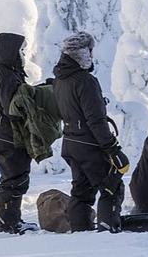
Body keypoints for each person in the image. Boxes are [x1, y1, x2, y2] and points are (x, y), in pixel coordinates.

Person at [52, 32, 129, 232]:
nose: (93, 55)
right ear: (83, 53)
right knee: (111, 186)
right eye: (90, 51)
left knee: (82, 190)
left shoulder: (60, 80)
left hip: (70, 142)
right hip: (89, 145)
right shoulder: (85, 81)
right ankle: (107, 230)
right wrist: (112, 148)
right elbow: (95, 120)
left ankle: (81, 231)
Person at [0, 32, 37, 234]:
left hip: (6, 135)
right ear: (11, 51)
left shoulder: (7, 72)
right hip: (9, 137)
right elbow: (13, 107)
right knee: (13, 180)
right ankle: (9, 224)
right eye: (21, 50)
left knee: (15, 179)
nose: (24, 54)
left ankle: (11, 221)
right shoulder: (5, 74)